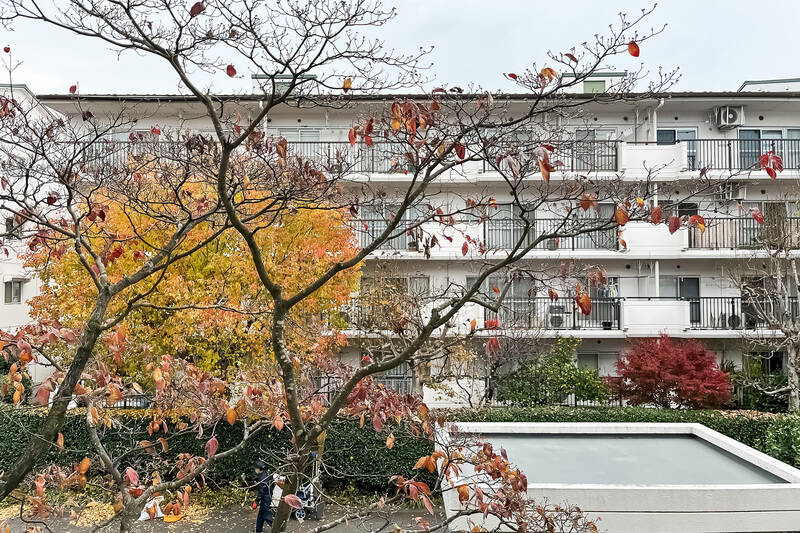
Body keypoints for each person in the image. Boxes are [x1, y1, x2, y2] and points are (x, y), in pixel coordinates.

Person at [253, 460, 273, 532]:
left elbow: (261, 492)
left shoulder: (262, 479)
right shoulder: (267, 474)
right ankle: (258, 530)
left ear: (258, 469)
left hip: (265, 498)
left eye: (255, 468)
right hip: (268, 496)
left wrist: (256, 501)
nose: (255, 470)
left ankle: (276, 528)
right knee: (260, 516)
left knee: (266, 516)